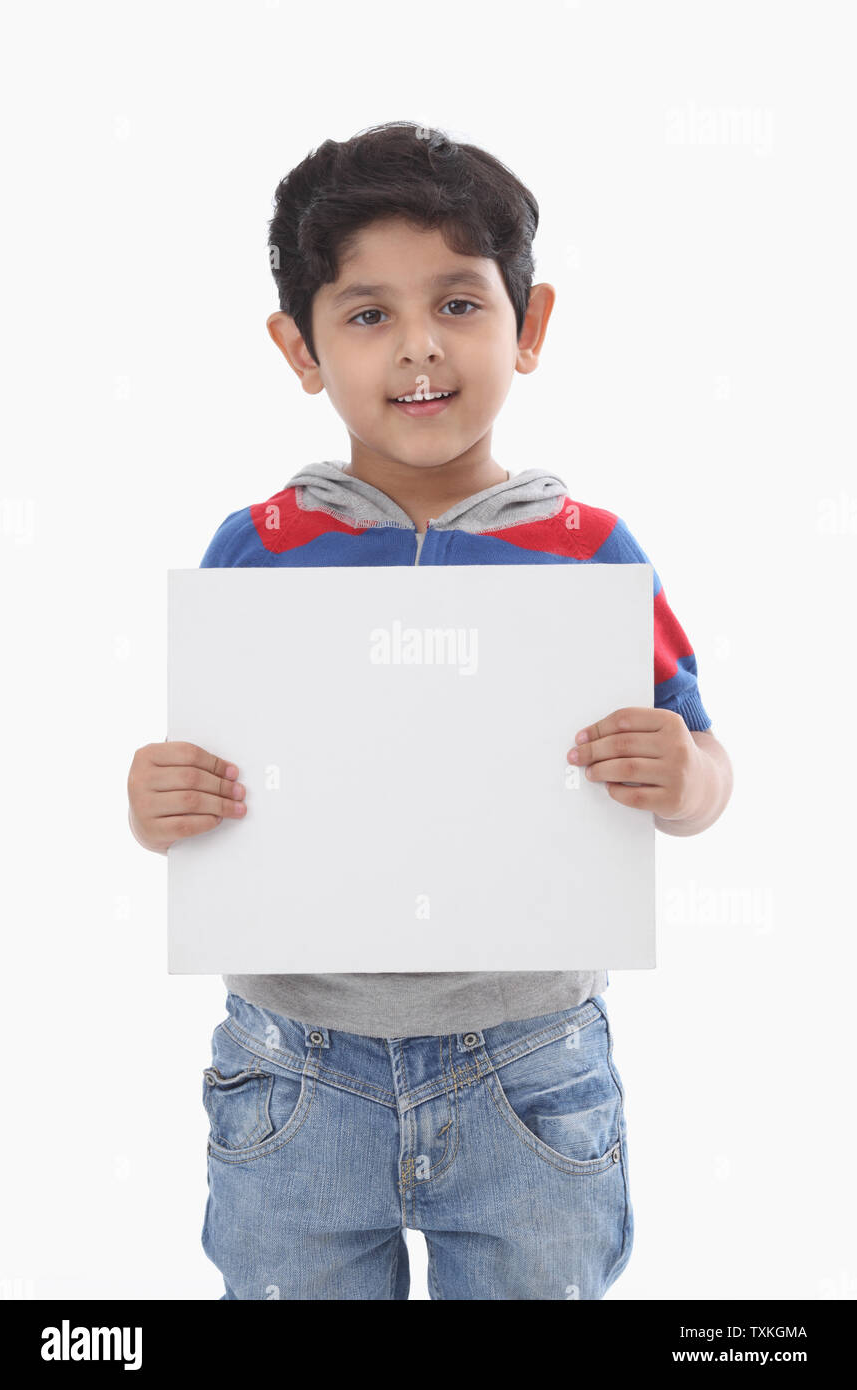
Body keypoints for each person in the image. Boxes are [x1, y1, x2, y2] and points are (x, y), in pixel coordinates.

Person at [127, 121, 733, 1300]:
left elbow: (701, 760)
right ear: (298, 348)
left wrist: (686, 775)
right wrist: (155, 804)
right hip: (293, 1063)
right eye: (366, 315)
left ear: (530, 324)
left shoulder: (590, 555)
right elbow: (201, 789)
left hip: (528, 1061)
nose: (418, 347)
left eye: (459, 304)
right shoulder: (256, 550)